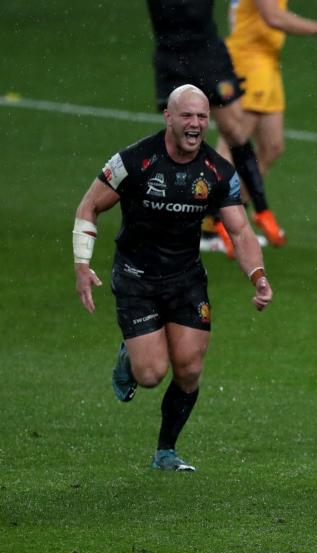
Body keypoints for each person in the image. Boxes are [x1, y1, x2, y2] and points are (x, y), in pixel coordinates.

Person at [72, 84, 273, 471]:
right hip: (136, 277)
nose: (195, 124)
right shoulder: (134, 161)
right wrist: (83, 264)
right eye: (187, 116)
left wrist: (258, 275)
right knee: (151, 375)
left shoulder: (217, 171)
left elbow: (242, 232)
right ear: (169, 117)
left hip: (185, 279)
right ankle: (130, 359)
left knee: (190, 369)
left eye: (201, 116)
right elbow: (89, 205)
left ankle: (166, 451)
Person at [146, 0, 284, 255]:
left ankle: (257, 211)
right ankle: (189, 224)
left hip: (206, 54)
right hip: (172, 56)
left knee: (235, 132)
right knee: (182, 140)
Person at [215, 0, 317, 240]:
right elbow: (273, 17)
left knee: (272, 146)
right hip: (249, 61)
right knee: (234, 144)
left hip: (266, 62)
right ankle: (210, 224)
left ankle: (233, 216)